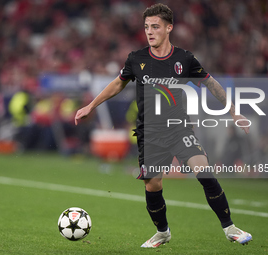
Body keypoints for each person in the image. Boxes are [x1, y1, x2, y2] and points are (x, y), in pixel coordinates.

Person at [75, 3, 252, 248]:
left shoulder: (184, 59)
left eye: (155, 26)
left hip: (179, 128)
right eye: (147, 27)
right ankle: (163, 232)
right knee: (153, 185)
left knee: (204, 172)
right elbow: (118, 83)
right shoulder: (136, 59)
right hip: (150, 135)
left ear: (169, 28)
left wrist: (233, 111)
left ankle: (230, 227)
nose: (149, 31)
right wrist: (91, 106)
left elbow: (211, 83)